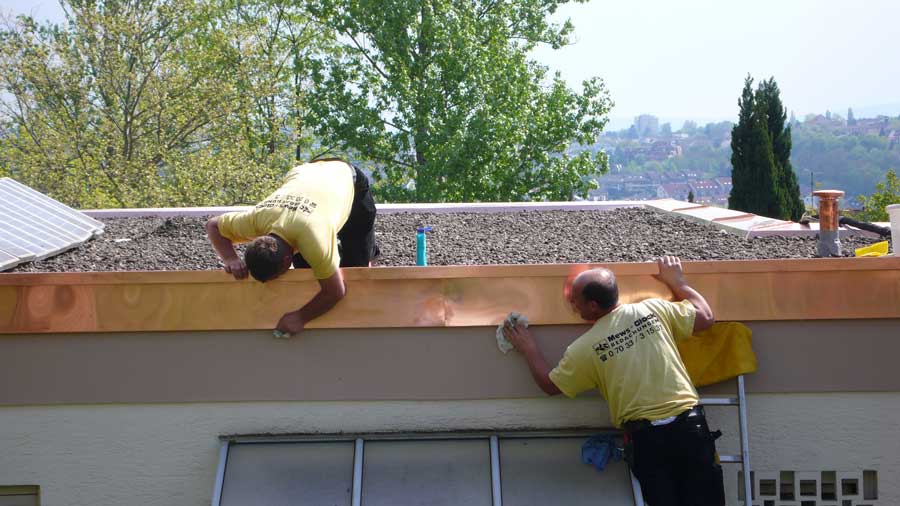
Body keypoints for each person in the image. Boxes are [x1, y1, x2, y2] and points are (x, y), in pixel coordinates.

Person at [502, 256, 724, 506]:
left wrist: (528, 348)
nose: (571, 304)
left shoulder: (585, 348)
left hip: (649, 442)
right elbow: (705, 316)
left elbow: (549, 385)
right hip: (690, 430)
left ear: (593, 306)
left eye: (575, 300)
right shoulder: (653, 310)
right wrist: (677, 282)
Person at [206, 158, 379, 336]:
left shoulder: (313, 239)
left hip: (347, 179)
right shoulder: (257, 219)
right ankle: (333, 256)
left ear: (287, 260)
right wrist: (231, 259)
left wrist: (300, 317)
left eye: (278, 275)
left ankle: (368, 252)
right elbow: (213, 225)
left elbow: (336, 291)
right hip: (306, 175)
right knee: (308, 273)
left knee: (356, 268)